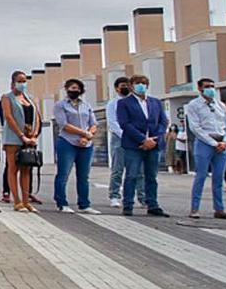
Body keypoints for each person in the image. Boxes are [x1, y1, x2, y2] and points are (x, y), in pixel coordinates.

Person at [184, 79, 226, 220]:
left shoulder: (220, 105)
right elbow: (195, 128)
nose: (210, 89)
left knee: (219, 178)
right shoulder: (194, 105)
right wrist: (213, 143)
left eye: (212, 87)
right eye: (207, 87)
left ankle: (219, 209)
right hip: (205, 143)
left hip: (222, 143)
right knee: (201, 176)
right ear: (200, 88)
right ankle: (195, 208)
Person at [117, 75, 170, 217]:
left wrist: (154, 139)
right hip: (134, 145)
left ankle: (152, 204)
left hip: (154, 144)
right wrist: (142, 139)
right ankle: (128, 204)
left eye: (144, 83)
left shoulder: (156, 102)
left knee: (151, 176)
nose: (141, 85)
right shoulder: (124, 103)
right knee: (132, 175)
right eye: (138, 83)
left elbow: (163, 122)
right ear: (131, 86)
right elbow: (124, 123)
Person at [52, 78, 100, 214]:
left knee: (84, 176)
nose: (75, 90)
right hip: (67, 142)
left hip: (86, 144)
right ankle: (61, 203)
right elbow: (64, 125)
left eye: (77, 88)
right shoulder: (60, 105)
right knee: (63, 174)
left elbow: (94, 123)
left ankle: (84, 204)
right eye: (72, 88)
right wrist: (84, 133)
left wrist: (87, 136)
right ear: (66, 89)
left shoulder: (86, 105)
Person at [0, 71, 40, 212]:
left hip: (29, 138)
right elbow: (9, 117)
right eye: (20, 81)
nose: (22, 84)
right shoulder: (7, 98)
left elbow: (36, 118)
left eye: (24, 81)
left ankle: (26, 200)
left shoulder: (29, 99)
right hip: (14, 138)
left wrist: (34, 135)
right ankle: (16, 201)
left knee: (26, 169)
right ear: (13, 83)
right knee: (13, 168)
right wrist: (21, 135)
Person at [106, 77, 143, 208]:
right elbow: (113, 123)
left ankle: (142, 197)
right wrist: (127, 135)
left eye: (128, 85)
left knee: (139, 170)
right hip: (119, 139)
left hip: (136, 139)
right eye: (123, 85)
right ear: (117, 88)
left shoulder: (136, 102)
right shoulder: (113, 104)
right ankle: (115, 196)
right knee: (117, 169)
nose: (126, 87)